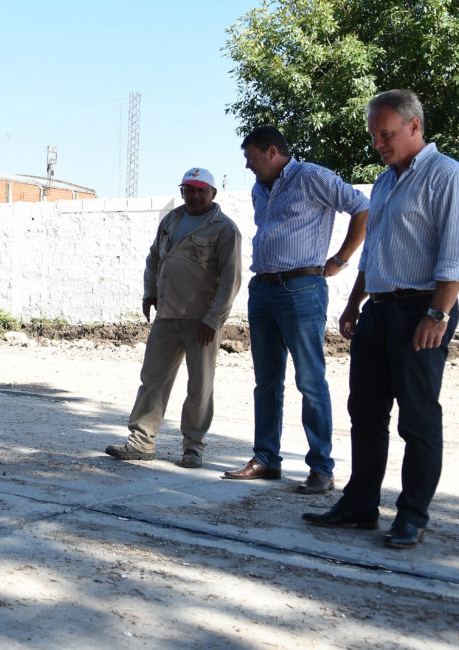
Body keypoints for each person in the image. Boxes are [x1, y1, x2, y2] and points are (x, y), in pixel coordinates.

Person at [303, 90, 459, 548]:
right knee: (366, 412)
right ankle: (360, 506)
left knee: (417, 418)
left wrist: (439, 312)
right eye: (374, 136)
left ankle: (412, 515)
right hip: (378, 308)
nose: (378, 143)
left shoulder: (448, 177)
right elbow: (373, 250)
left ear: (415, 127)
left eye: (386, 134)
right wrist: (355, 301)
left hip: (422, 310)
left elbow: (457, 256)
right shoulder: (383, 181)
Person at [225, 126, 369, 494]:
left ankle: (321, 468)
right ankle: (266, 459)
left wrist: (340, 258)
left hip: (302, 288)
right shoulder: (260, 189)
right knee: (266, 382)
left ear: (272, 152)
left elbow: (363, 207)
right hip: (264, 289)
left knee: (310, 380)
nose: (248, 166)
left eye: (252, 158)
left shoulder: (312, 177)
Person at [105, 167, 242, 468]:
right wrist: (149, 292)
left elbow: (231, 279)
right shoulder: (171, 221)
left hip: (201, 322)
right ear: (182, 192)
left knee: (199, 386)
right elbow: (154, 258)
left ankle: (193, 447)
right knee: (152, 380)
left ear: (212, 193)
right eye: (188, 189)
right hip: (167, 316)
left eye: (200, 190)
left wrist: (213, 319)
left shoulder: (224, 228)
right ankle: (141, 441)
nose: (194, 195)